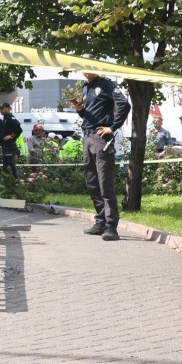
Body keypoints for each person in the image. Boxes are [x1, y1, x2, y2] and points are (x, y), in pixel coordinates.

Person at [70, 72, 130, 242]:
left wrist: (113, 127)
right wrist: (81, 111)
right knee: (92, 182)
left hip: (100, 137)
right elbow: (90, 116)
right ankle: (101, 221)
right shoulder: (85, 87)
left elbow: (125, 105)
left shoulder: (106, 84)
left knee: (105, 182)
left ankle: (111, 227)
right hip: (87, 136)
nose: (86, 71)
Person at [0, 102, 22, 182]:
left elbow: (18, 126)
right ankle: (9, 183)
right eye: (0, 108)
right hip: (6, 146)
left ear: (8, 108)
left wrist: (12, 136)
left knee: (9, 165)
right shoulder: (5, 118)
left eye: (2, 108)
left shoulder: (10, 117)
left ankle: (13, 183)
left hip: (10, 146)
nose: (0, 110)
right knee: (6, 165)